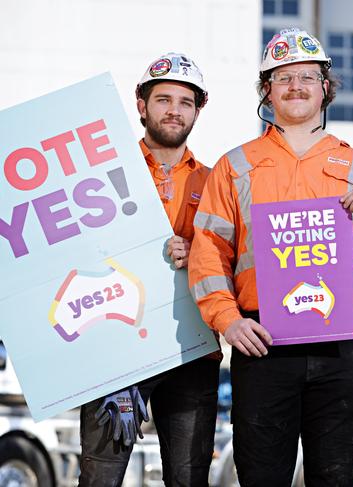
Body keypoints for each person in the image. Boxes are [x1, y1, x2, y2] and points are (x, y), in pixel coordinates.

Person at [188, 27, 353, 487]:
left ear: (326, 88)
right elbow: (208, 253)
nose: (296, 86)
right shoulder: (234, 167)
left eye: (307, 77)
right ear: (266, 91)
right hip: (262, 342)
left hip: (343, 347)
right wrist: (227, 320)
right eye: (283, 77)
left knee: (338, 477)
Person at [78, 52, 222, 487]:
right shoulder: (102, 176)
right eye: (163, 99)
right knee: (100, 478)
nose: (173, 110)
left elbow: (239, 260)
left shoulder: (218, 182)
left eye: (184, 101)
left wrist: (198, 251)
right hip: (117, 348)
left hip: (192, 348)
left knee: (188, 478)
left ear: (199, 109)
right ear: (141, 105)